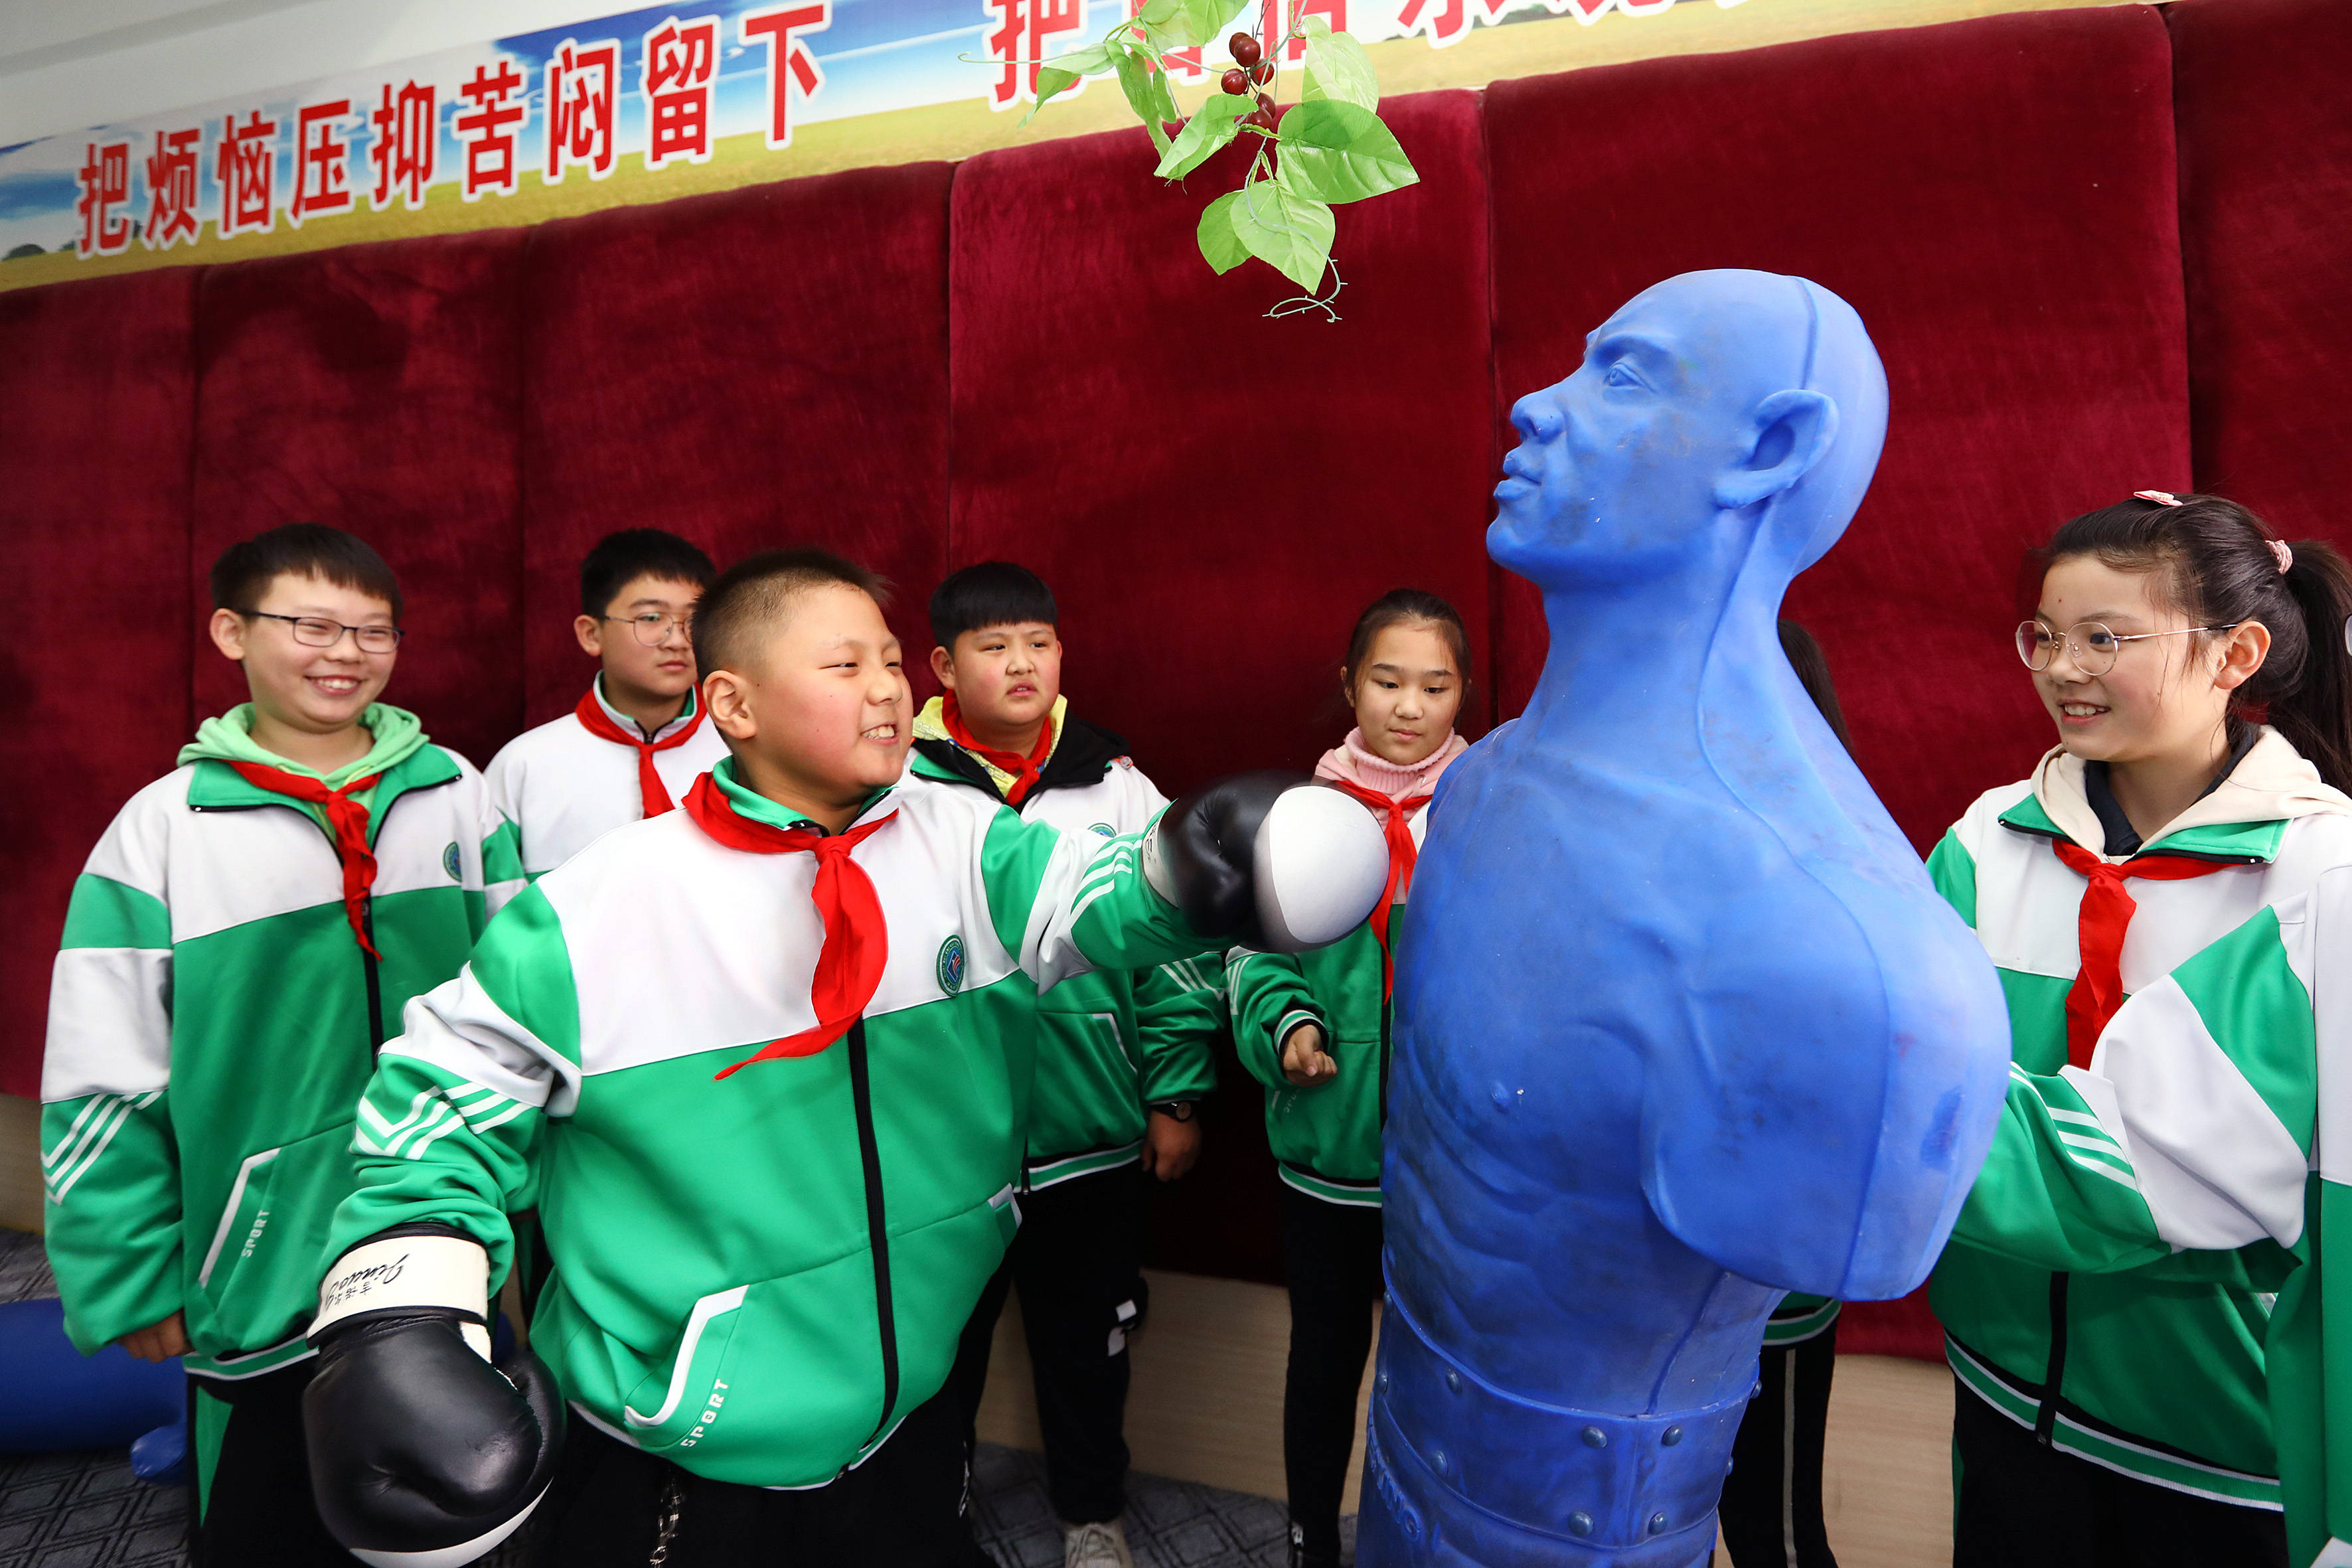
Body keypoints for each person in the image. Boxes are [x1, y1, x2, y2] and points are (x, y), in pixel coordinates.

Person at [297, 548, 1377, 1568]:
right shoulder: (602, 904)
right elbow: (441, 1099)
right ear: (733, 704)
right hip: (679, 1449)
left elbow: (1091, 894)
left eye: (891, 662)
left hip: (910, 1413)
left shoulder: (967, 842)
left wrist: (1181, 871)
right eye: (843, 665)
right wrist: (398, 1311)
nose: (887, 690)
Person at [39, 522, 521, 1566]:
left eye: (373, 630)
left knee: (460, 1509)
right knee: (267, 1521)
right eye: (311, 625)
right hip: (255, 1267)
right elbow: (100, 1072)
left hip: (442, 1231)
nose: (345, 653)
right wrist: (132, 1273)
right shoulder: (162, 828)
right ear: (231, 632)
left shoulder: (457, 789)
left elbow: (527, 1000)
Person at [1928, 491, 2352, 1567]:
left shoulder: (2319, 880)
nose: (2061, 668)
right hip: (2001, 1385)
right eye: (2043, 635)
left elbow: (2154, 1164)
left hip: (2218, 1435)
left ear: (2234, 654)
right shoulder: (1982, 842)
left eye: (2103, 638)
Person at [923, 564, 1222, 1568]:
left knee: (1087, 1346)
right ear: (942, 666)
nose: (1021, 663)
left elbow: (1176, 954)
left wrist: (1175, 1091)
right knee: (938, 1352)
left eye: (1039, 643)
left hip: (1089, 1136)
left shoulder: (1119, 784)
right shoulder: (902, 788)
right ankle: (936, 1517)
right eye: (993, 645)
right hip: (948, 1144)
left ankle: (1092, 1515)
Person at [1227, 588, 1472, 1568]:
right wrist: (1287, 1028)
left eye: (1434, 686)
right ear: (1348, 684)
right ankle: (1308, 1542)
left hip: (1450, 1170)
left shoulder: (1486, 817)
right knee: (1324, 1360)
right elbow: (1253, 958)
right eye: (1386, 681)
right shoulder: (1299, 819)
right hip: (1324, 1159)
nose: (1408, 706)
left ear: (1463, 692)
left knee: (1439, 1372)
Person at [1716, 619, 1853, 1568]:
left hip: (1778, 1259)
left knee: (1774, 1529)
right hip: (1666, 1268)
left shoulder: (1839, 861)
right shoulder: (1662, 841)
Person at [486, 528, 726, 880]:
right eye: (651, 618)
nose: (677, 640)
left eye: (693, 620)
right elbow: (499, 904)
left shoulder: (744, 752)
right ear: (591, 634)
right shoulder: (523, 766)